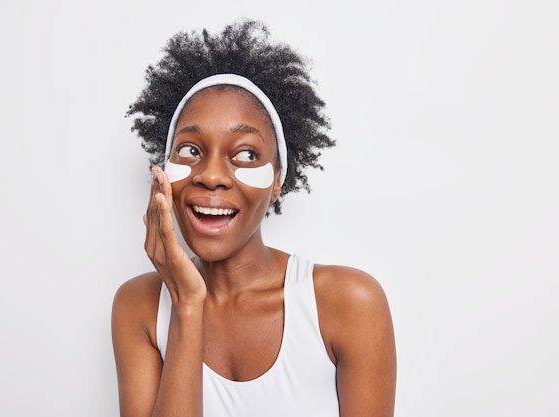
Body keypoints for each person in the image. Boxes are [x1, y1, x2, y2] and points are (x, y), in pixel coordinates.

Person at [112, 19, 396, 417]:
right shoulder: (139, 307)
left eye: (245, 153)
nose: (211, 176)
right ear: (163, 171)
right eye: (191, 150)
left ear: (277, 180)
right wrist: (188, 306)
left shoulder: (348, 303)